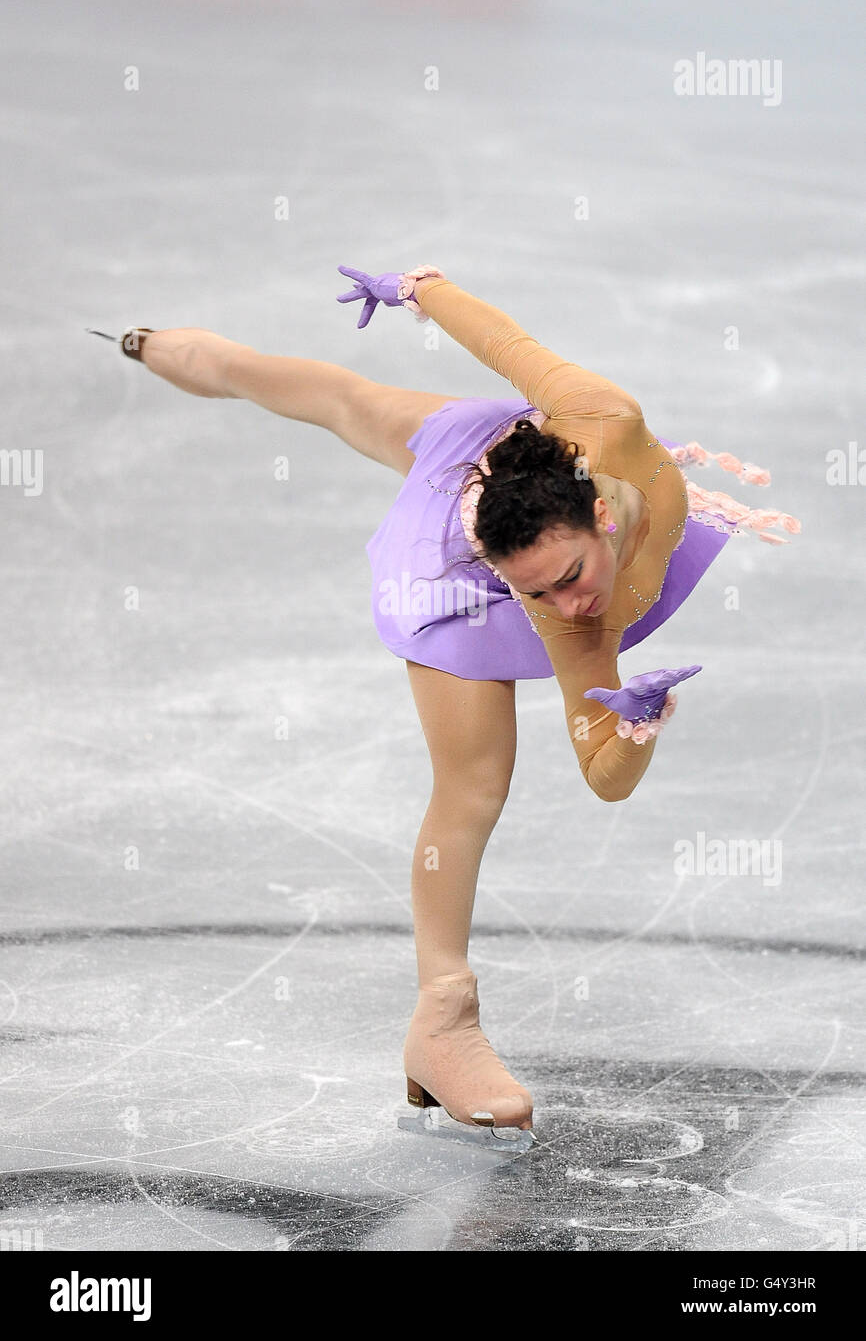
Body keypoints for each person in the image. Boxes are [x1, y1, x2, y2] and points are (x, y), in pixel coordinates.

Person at [105, 266, 799, 1140]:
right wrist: (570, 634)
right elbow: (569, 639)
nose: (569, 609)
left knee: (348, 400)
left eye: (570, 579)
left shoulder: (602, 418)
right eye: (540, 597)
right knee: (474, 783)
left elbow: (504, 343)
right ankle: (442, 1018)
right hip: (457, 565)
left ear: (601, 513)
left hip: (514, 468)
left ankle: (150, 343)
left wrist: (420, 286)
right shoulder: (555, 605)